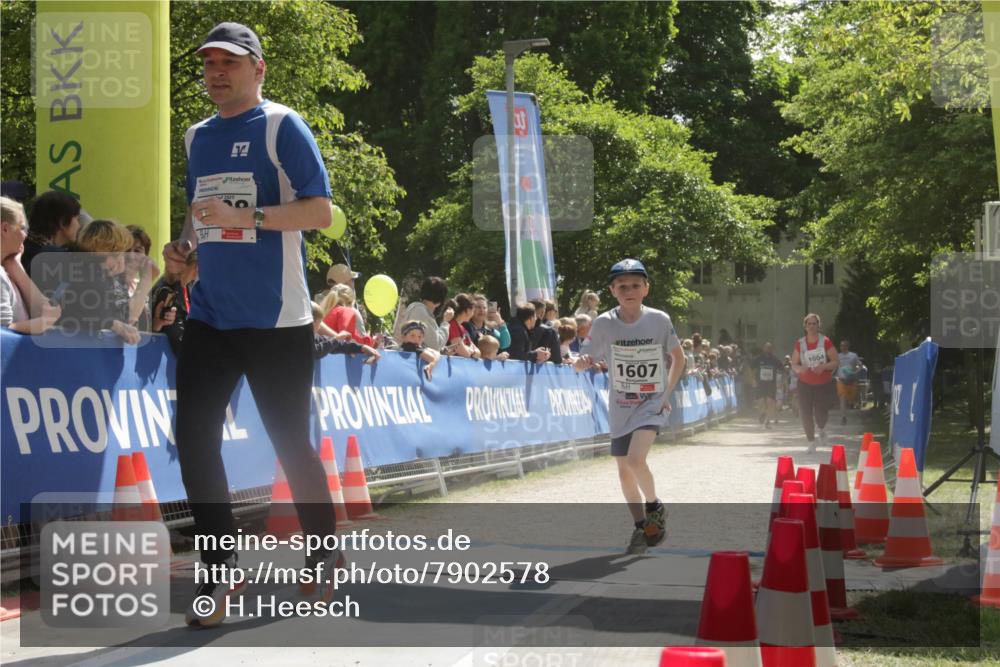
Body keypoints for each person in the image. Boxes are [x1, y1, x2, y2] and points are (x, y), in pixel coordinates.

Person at [162, 22, 341, 627]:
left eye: (229, 63)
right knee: (193, 439)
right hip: (211, 315)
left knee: (290, 442)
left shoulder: (280, 125)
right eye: (209, 63)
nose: (216, 73)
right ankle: (220, 567)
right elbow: (199, 213)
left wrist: (251, 216)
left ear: (258, 68)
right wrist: (185, 251)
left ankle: (323, 554)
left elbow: (321, 212)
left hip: (277, 318)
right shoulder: (196, 135)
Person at [575, 259, 685, 554]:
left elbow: (679, 357)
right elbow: (585, 357)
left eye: (636, 285)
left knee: (636, 460)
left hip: (651, 403)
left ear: (646, 288)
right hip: (621, 405)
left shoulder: (659, 320)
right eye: (622, 286)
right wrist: (581, 363)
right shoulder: (603, 323)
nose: (629, 291)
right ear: (612, 290)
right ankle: (641, 527)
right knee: (624, 469)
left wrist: (666, 394)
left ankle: (655, 506)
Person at [0, 196, 61, 334]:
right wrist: (43, 323)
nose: (26, 235)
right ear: (5, 229)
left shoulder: (8, 269)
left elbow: (41, 309)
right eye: (22, 228)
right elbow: (2, 334)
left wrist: (15, 266)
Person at [789, 313, 839, 453]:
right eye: (809, 324)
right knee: (805, 412)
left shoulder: (825, 341)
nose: (811, 326)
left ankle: (821, 429)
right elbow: (794, 364)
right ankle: (811, 442)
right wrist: (800, 369)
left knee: (820, 413)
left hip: (823, 383)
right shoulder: (800, 343)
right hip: (805, 383)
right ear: (805, 326)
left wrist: (823, 367)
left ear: (818, 326)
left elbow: (835, 361)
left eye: (814, 324)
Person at [20, 190, 81, 283]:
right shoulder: (53, 259)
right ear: (62, 222)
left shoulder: (22, 248)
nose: (79, 225)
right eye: (77, 219)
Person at [150, 250, 199, 355]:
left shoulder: (188, 286)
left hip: (178, 355)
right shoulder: (167, 291)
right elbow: (175, 334)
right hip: (164, 355)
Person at [393, 276, 449, 351]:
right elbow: (435, 345)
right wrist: (445, 323)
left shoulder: (417, 308)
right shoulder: (420, 311)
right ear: (439, 302)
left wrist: (444, 350)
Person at [311, 301, 379, 362]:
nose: (319, 327)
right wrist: (337, 338)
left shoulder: (315, 337)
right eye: (318, 324)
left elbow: (338, 345)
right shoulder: (305, 340)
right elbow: (316, 351)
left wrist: (361, 348)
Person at [751, 342, 781, 429]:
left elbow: (781, 370)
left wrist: (780, 382)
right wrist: (753, 379)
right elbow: (752, 368)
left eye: (770, 348)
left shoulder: (775, 359)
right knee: (761, 402)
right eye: (766, 347)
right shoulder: (758, 359)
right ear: (763, 348)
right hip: (760, 383)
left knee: (770, 402)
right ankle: (763, 413)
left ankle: (768, 421)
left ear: (772, 349)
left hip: (771, 383)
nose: (768, 349)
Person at [835, 339, 861, 424]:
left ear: (848, 346)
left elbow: (859, 365)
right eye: (841, 345)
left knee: (851, 399)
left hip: (851, 380)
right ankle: (843, 417)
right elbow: (834, 366)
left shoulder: (853, 355)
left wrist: (856, 372)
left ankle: (851, 403)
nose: (842, 347)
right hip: (841, 380)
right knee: (842, 398)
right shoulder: (837, 356)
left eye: (844, 345)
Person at [446, 293, 480, 358]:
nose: (473, 314)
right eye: (473, 311)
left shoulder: (463, 328)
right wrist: (471, 351)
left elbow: (478, 353)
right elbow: (464, 352)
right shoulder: (452, 325)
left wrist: (469, 350)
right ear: (468, 310)